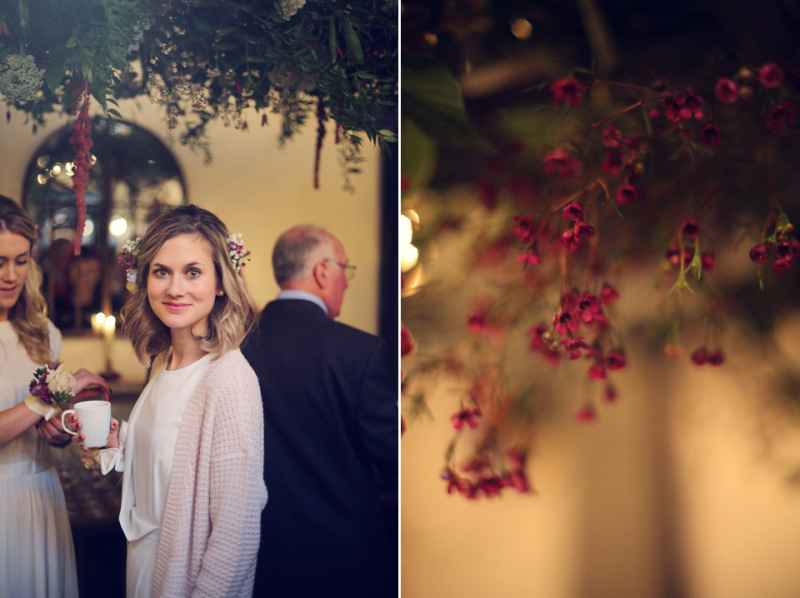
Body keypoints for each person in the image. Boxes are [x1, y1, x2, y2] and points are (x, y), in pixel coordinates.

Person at [88, 204, 266, 597]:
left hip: (185, 576)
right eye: (162, 271)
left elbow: (235, 538)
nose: (174, 288)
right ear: (144, 278)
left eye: (193, 272)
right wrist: (121, 443)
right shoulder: (163, 363)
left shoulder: (230, 382)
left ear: (221, 282)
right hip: (143, 561)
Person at [241, 224, 398, 597]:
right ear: (323, 271)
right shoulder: (360, 352)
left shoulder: (238, 347)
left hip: (258, 554)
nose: (347, 280)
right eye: (346, 268)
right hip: (344, 561)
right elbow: (395, 460)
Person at [0, 195, 111, 598]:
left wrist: (58, 429)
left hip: (41, 492)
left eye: (21, 260)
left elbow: (43, 420)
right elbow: (40, 402)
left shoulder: (44, 332)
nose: (11, 275)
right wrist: (46, 398)